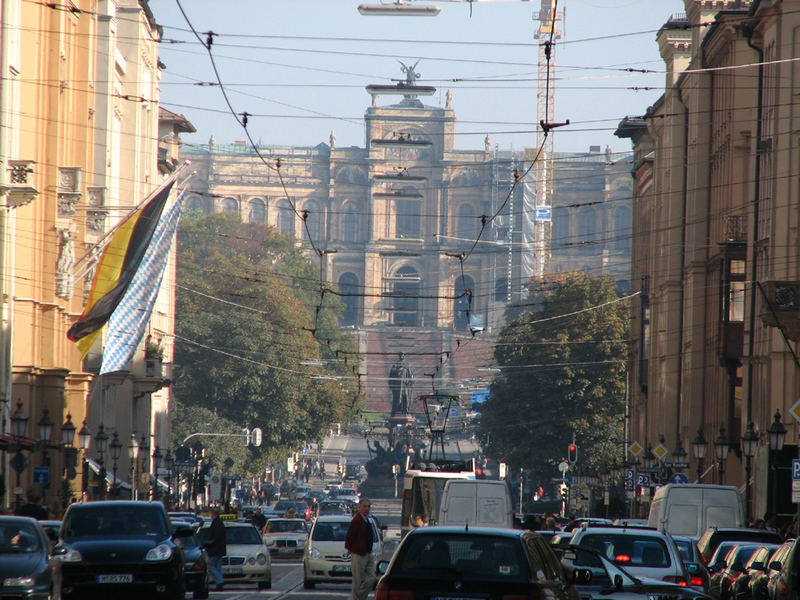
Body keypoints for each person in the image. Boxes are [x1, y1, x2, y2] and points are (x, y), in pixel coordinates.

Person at [345, 498, 376, 600]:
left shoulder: (366, 519)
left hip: (368, 553)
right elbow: (349, 537)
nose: (367, 509)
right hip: (359, 553)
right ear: (359, 507)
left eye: (368, 507)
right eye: (364, 506)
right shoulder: (357, 520)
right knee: (357, 581)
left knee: (371, 578)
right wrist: (351, 548)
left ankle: (360, 598)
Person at [205, 507, 227, 592]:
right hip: (219, 549)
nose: (210, 516)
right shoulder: (219, 523)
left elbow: (216, 537)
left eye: (211, 514)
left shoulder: (216, 523)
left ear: (214, 515)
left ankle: (220, 581)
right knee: (218, 567)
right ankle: (219, 584)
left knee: (211, 566)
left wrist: (210, 542)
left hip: (215, 549)